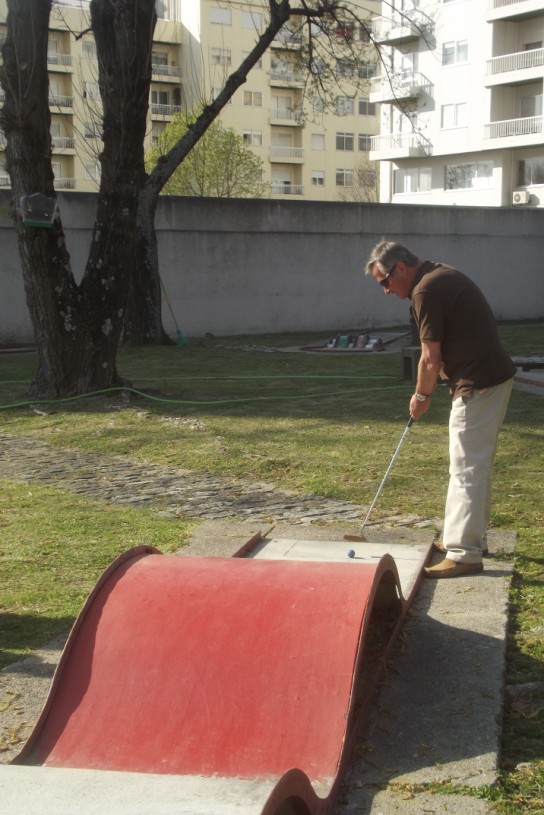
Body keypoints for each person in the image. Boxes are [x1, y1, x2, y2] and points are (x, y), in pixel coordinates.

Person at [365, 240, 516, 579]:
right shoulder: (435, 277)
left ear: (401, 267)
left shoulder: (427, 290)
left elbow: (430, 357)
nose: (386, 291)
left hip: (478, 381)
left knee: (466, 467)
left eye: (385, 281)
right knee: (472, 465)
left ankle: (464, 553)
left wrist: (421, 397)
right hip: (487, 376)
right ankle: (461, 540)